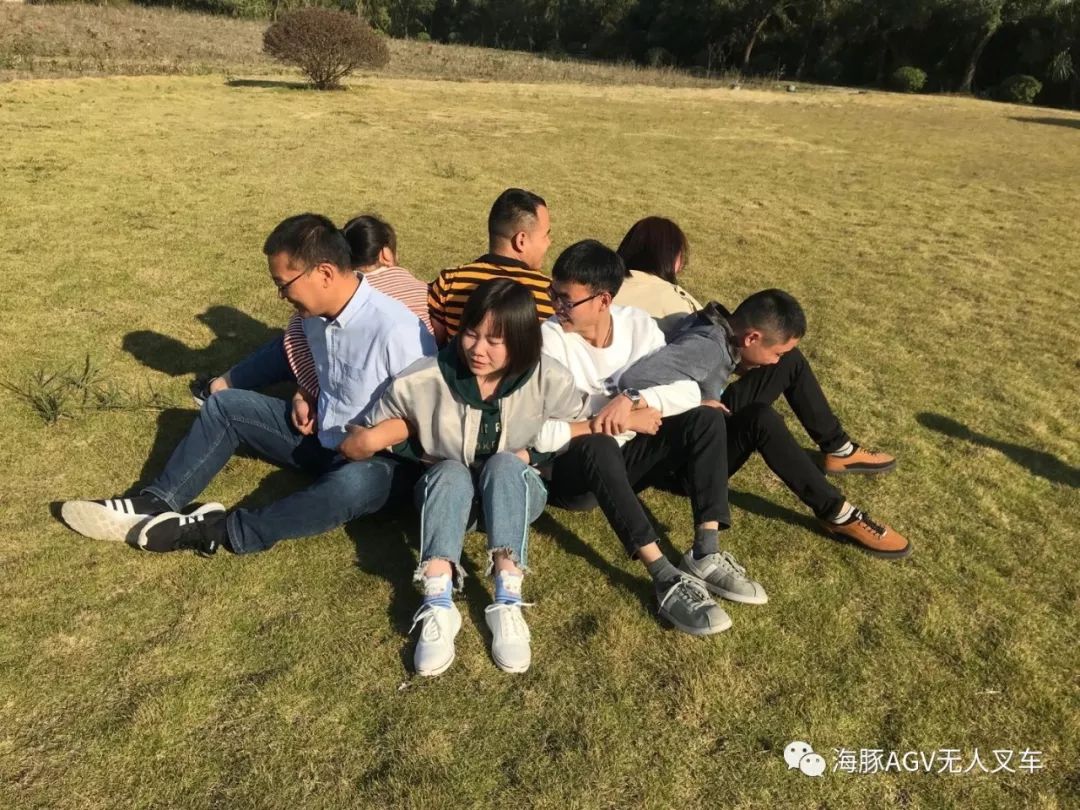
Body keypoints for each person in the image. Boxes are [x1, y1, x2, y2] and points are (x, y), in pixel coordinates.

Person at [60, 214, 435, 556]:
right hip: (324, 438)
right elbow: (330, 372)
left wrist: (371, 440)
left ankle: (216, 530)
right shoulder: (313, 317)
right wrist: (304, 393)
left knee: (351, 486)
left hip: (383, 461)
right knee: (224, 405)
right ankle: (156, 502)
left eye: (283, 284)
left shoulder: (397, 329)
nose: (281, 296)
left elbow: (432, 417)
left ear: (324, 273)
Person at [342, 279, 591, 676]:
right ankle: (438, 601)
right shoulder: (425, 378)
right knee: (450, 469)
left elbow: (576, 423)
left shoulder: (549, 378)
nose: (478, 349)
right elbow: (381, 425)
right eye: (471, 333)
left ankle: (507, 598)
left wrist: (533, 454)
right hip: (449, 502)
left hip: (514, 495)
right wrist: (386, 443)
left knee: (505, 464)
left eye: (495, 340)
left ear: (522, 341)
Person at [535, 240, 757, 637]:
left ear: (603, 300)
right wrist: (622, 418)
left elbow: (688, 390)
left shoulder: (637, 325)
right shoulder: (548, 341)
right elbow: (546, 429)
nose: (555, 306)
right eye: (554, 294)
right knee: (599, 443)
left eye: (566, 300)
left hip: (629, 458)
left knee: (705, 417)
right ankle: (664, 575)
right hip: (574, 473)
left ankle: (705, 552)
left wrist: (632, 399)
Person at [616, 291, 912, 558]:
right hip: (682, 462)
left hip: (701, 425)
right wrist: (697, 402)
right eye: (774, 352)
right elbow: (632, 382)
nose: (774, 361)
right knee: (761, 419)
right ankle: (837, 513)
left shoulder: (720, 325)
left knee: (791, 362)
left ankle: (840, 449)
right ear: (752, 338)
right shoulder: (706, 349)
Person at [614, 216, 896, 476]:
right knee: (787, 362)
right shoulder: (674, 301)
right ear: (673, 258)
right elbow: (701, 358)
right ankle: (839, 449)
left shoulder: (606, 287)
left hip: (635, 408)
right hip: (680, 419)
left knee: (779, 359)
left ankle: (838, 455)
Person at [196, 213, 432, 404]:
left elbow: (295, 340)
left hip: (347, 398)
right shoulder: (421, 289)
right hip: (402, 392)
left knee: (287, 343)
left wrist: (310, 390)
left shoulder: (359, 296)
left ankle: (220, 386)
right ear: (386, 253)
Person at [428, 188, 555, 345]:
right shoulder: (551, 295)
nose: (549, 242)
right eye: (545, 235)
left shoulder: (448, 282)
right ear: (521, 240)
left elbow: (436, 346)